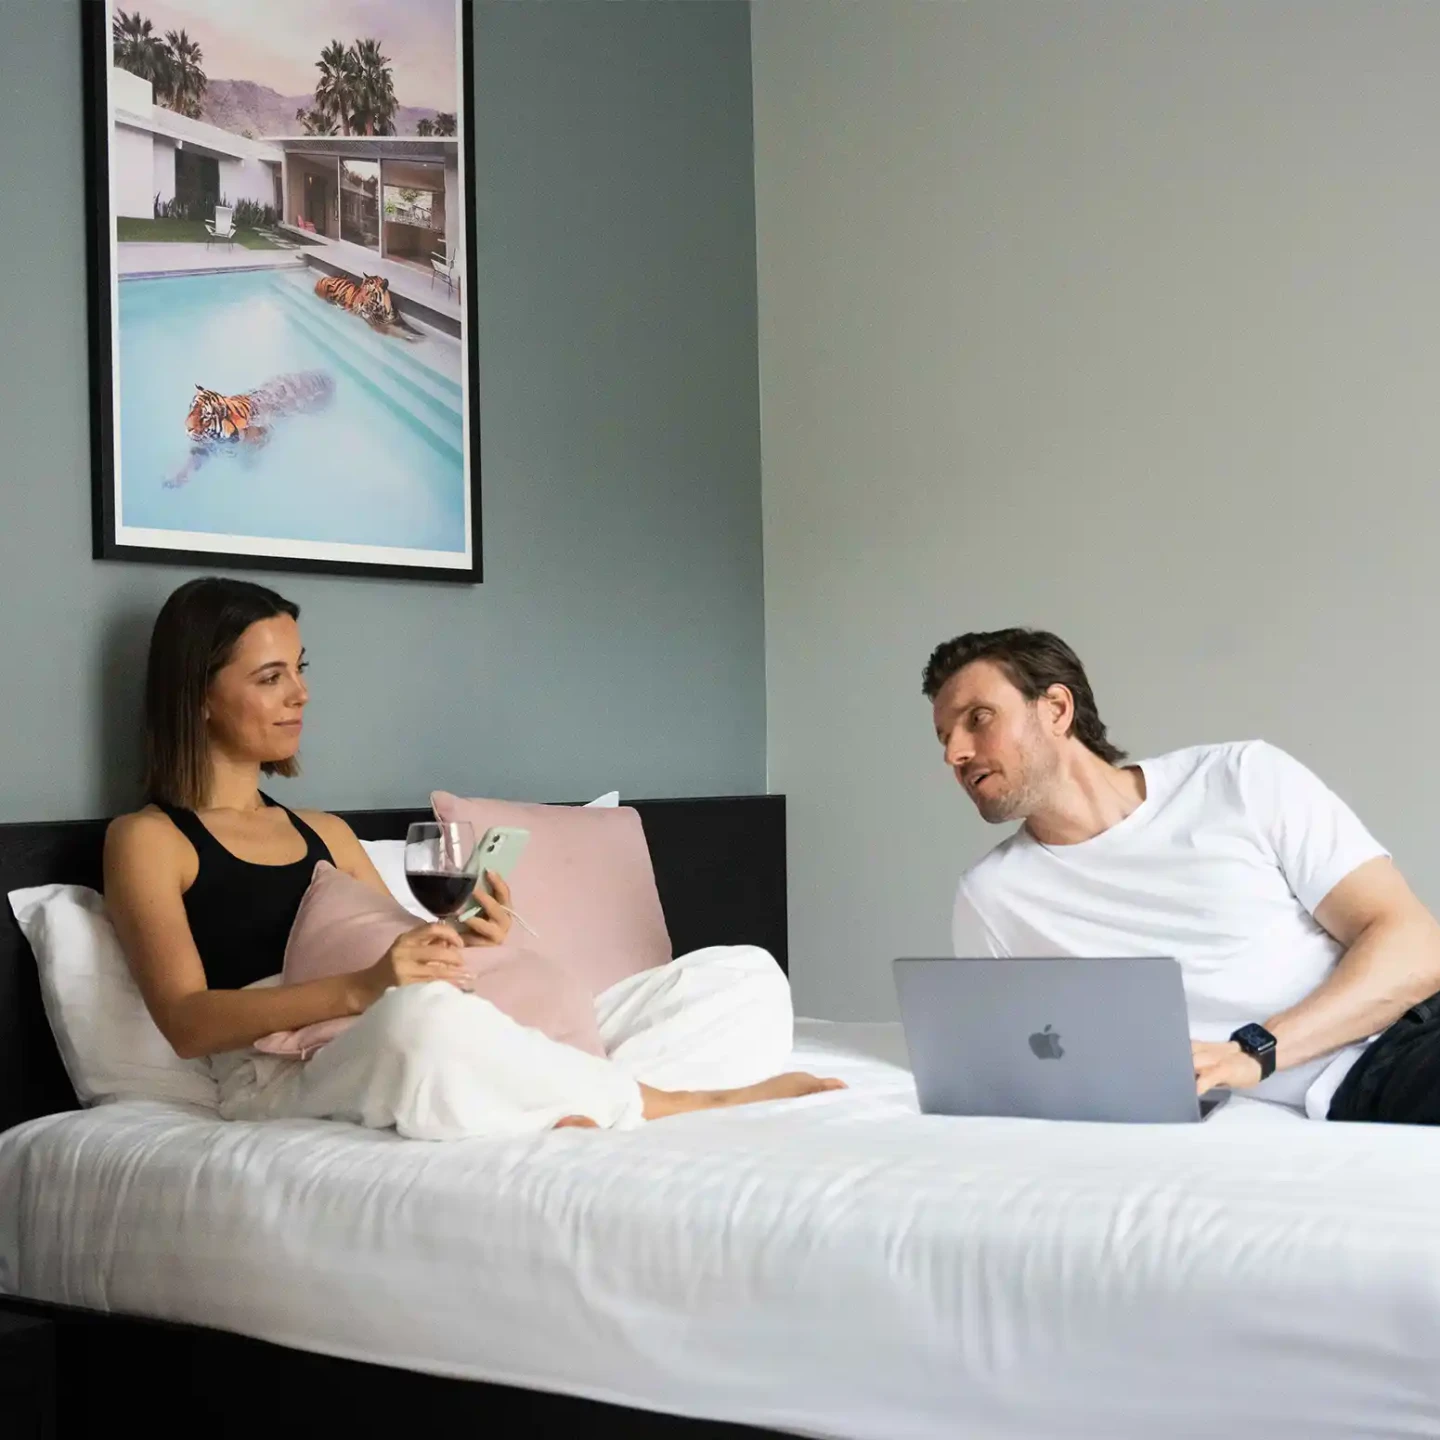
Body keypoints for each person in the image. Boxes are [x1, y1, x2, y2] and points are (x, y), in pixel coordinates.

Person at [105, 577, 842, 1140]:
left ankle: (556, 1091)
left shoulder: (323, 833)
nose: (301, 694)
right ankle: (660, 1099)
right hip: (282, 1066)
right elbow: (187, 1022)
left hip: (391, 1012)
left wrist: (464, 941)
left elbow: (401, 955)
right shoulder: (149, 841)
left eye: (300, 668)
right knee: (426, 1028)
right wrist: (363, 991)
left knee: (740, 975)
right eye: (271, 679)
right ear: (199, 696)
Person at [924, 627, 1440, 1123]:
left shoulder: (1239, 779)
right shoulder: (993, 896)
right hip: (1359, 1084)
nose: (955, 754)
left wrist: (1257, 1050)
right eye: (945, 738)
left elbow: (1416, 944)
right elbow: (1003, 1069)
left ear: (1057, 709)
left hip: (1407, 1033)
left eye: (979, 718)